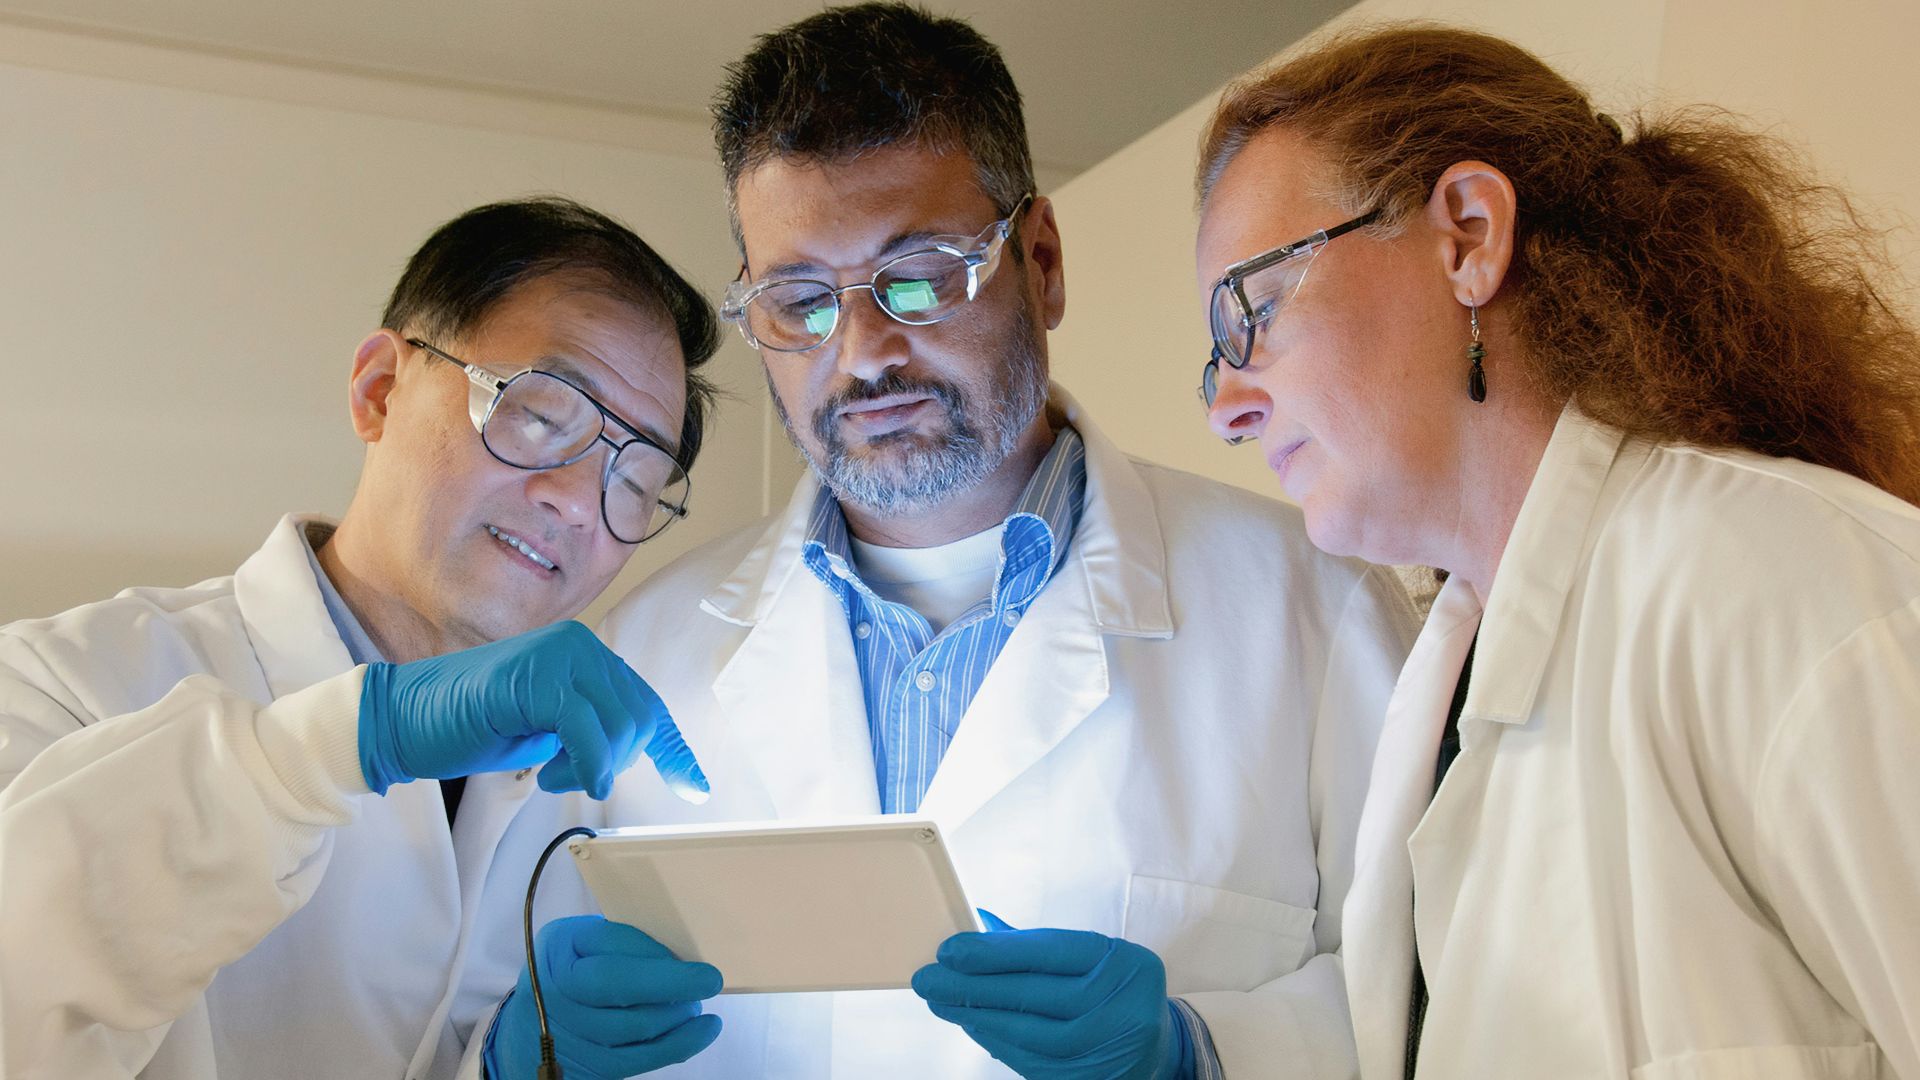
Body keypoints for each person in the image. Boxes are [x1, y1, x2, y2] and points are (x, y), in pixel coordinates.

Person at [598, 5, 1421, 1077]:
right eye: (800, 300)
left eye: (924, 273)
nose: (863, 354)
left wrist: (1205, 1053)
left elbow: (1441, 995)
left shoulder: (1318, 609)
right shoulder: (637, 657)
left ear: (1042, 261)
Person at [1194, 23, 1920, 1080]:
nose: (1226, 406)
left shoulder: (1796, 591)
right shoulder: (1439, 698)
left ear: (1469, 235)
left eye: (1251, 311)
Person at [0, 197, 735, 1080]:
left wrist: (510, 1070)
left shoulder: (601, 797)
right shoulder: (62, 680)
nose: (578, 502)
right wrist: (320, 752)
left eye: (638, 477)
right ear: (378, 390)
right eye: (542, 414)